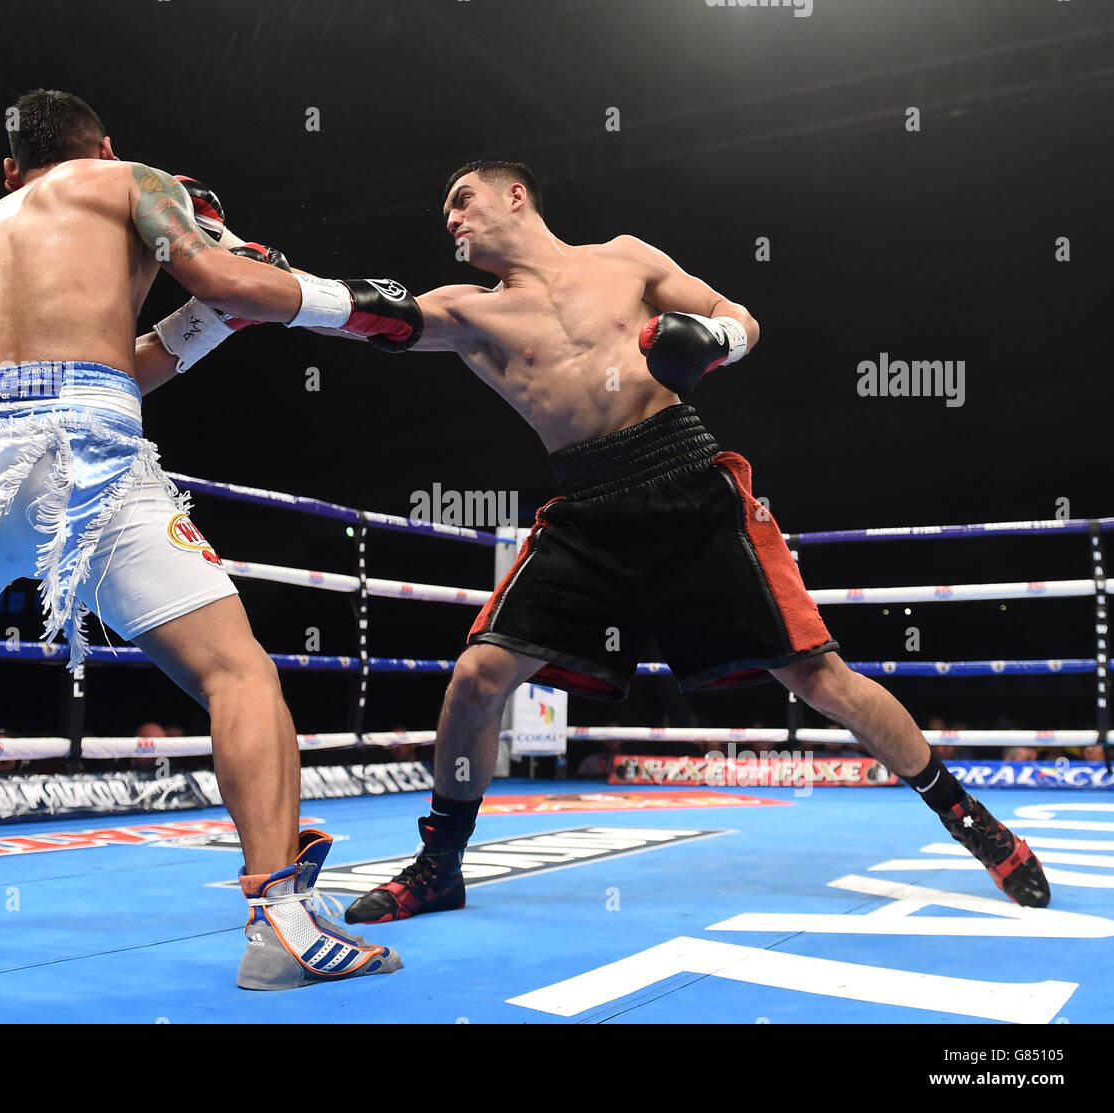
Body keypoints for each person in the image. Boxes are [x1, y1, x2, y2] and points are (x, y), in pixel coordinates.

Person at [0, 89, 422, 989]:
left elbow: (108, 358)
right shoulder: (134, 181)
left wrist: (211, 321)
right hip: (78, 448)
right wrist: (361, 306)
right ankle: (280, 923)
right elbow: (216, 285)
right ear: (104, 144)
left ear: (12, 169)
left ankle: (283, 913)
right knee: (236, 672)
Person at [337, 160, 1049, 923]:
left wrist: (713, 338)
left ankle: (966, 815)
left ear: (516, 196)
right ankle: (441, 865)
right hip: (588, 509)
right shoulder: (467, 309)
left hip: (689, 485)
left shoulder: (624, 259)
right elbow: (370, 313)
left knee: (821, 681)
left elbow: (738, 315)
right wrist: (268, 286)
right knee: (479, 673)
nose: (450, 217)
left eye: (462, 199)